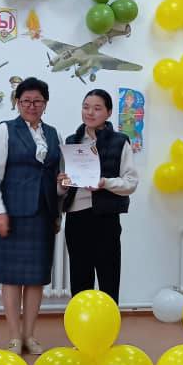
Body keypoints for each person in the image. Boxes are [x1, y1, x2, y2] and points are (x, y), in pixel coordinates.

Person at [0, 77, 62, 355]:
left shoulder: (53, 134)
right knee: (12, 277)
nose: (31, 105)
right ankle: (14, 337)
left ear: (45, 104)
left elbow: (55, 175)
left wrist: (58, 204)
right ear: (17, 102)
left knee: (36, 278)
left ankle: (30, 335)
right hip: (14, 213)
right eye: (26, 100)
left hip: (44, 215)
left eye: (37, 101)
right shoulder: (5, 130)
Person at [59, 89, 138, 304]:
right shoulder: (72, 141)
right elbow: (65, 187)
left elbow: (131, 183)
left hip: (105, 218)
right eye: (86, 107)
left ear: (109, 112)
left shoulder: (120, 141)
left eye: (97, 108)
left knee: (108, 278)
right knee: (79, 279)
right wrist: (62, 183)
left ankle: (108, 323)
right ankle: (80, 323)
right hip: (76, 218)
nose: (90, 112)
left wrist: (105, 183)